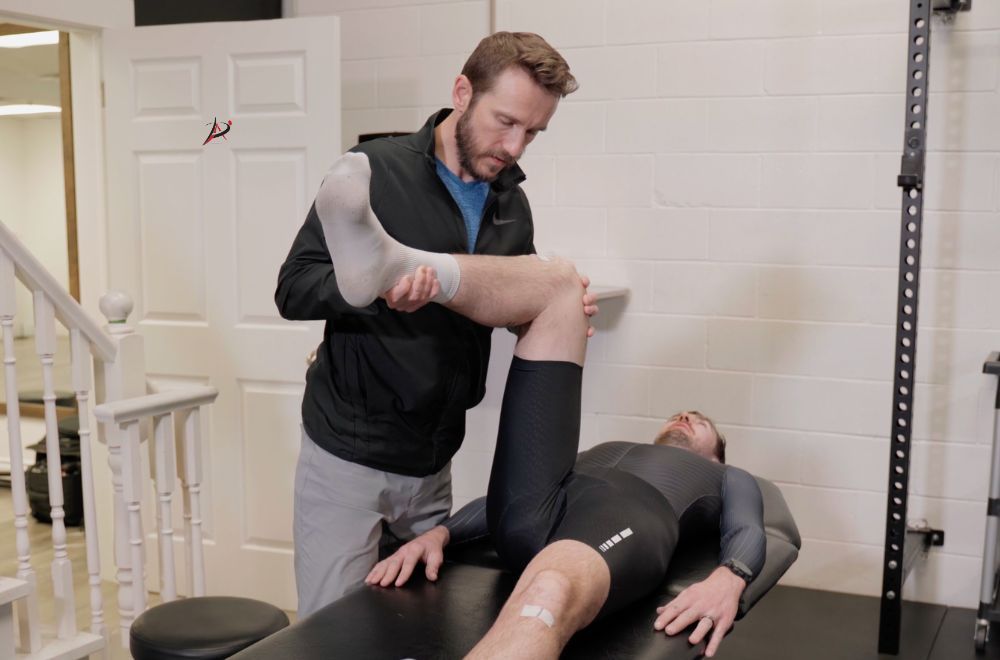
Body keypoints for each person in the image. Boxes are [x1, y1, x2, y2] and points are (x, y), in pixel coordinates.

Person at [317, 152, 765, 659]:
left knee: (545, 596)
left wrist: (731, 579)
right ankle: (396, 265)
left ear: (716, 454)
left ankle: (401, 264)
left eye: (699, 422)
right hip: (532, 512)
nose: (685, 418)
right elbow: (500, 505)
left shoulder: (724, 477)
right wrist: (440, 532)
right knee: (562, 286)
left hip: (622, 521)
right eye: (680, 414)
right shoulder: (612, 448)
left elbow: (750, 527)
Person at [275, 32, 583, 615]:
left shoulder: (509, 204)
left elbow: (497, 305)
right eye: (506, 122)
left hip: (434, 458)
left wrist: (546, 313)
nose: (515, 146)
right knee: (331, 634)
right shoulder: (373, 174)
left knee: (414, 628)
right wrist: (374, 294)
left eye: (533, 133)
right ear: (462, 92)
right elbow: (292, 289)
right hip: (349, 454)